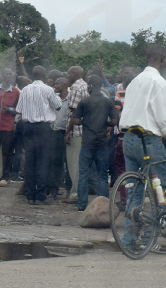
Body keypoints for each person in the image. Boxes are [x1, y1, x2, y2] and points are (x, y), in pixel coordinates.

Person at [119, 45, 166, 254]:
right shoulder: (158, 82)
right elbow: (162, 119)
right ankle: (151, 240)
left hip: (130, 139)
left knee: (135, 191)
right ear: (162, 58)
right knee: (164, 189)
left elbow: (143, 114)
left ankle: (129, 240)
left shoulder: (135, 81)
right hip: (149, 142)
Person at [16, 65, 62, 205]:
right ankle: (41, 195)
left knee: (30, 161)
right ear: (44, 75)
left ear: (33, 74)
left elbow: (19, 109)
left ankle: (30, 195)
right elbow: (58, 105)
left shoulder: (25, 89)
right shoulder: (48, 89)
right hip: (43, 128)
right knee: (43, 162)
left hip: (28, 127)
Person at [72, 75, 119, 212]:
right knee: (102, 175)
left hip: (87, 141)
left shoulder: (84, 102)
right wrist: (105, 123)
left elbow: (75, 121)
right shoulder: (108, 102)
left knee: (83, 173)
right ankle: (103, 205)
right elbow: (115, 122)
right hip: (102, 142)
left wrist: (85, 121)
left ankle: (81, 204)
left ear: (90, 85)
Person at [64, 66, 88, 202]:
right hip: (82, 130)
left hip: (75, 131)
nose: (68, 76)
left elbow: (74, 112)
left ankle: (75, 194)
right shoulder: (84, 85)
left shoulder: (75, 88)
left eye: (69, 74)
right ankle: (77, 193)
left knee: (74, 164)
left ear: (74, 74)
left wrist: (67, 132)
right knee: (79, 164)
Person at [48, 77, 70, 199]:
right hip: (55, 132)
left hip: (66, 133)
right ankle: (53, 189)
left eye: (58, 83)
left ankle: (69, 190)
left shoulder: (71, 99)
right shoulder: (53, 99)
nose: (55, 85)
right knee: (55, 161)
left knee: (68, 162)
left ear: (65, 85)